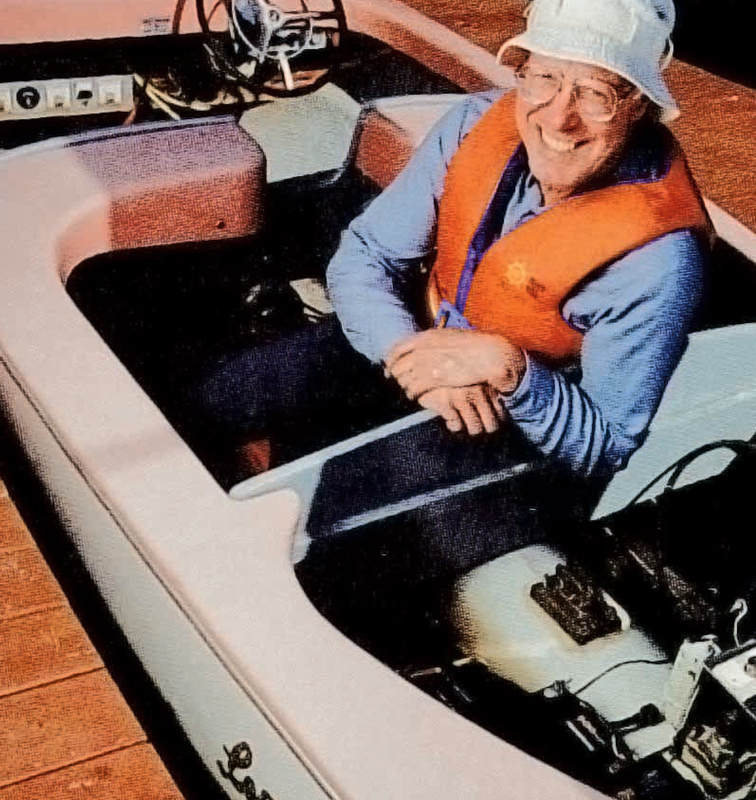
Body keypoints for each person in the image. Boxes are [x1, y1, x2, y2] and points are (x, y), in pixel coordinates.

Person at [197, 0, 710, 484]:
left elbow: (605, 444)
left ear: (639, 104)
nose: (559, 118)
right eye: (544, 79)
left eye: (597, 93)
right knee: (215, 402)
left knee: (335, 499)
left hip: (501, 419)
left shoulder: (659, 261)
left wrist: (512, 370)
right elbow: (367, 255)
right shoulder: (473, 124)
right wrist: (412, 358)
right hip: (410, 338)